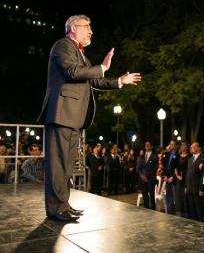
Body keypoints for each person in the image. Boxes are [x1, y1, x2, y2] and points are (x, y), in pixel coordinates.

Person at [37, 14, 142, 222]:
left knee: (66, 165)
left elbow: (94, 81)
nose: (91, 31)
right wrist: (102, 68)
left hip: (73, 117)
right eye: (87, 26)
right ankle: (56, 208)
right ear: (73, 28)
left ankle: (63, 205)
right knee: (57, 165)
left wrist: (120, 81)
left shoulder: (81, 54)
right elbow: (72, 72)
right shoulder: (63, 45)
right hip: (61, 114)